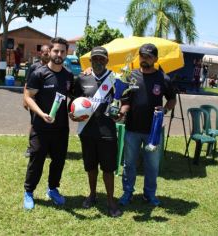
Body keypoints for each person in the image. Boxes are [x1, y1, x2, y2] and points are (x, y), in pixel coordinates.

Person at [118, 43, 176, 207]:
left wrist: (164, 110)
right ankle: (127, 193)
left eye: (148, 56)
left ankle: (149, 195)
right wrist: (122, 112)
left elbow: (172, 99)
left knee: (152, 165)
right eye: (142, 55)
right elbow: (125, 101)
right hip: (132, 129)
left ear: (156, 59)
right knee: (129, 164)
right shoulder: (130, 76)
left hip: (153, 131)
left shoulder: (163, 78)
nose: (144, 59)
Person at [69, 47, 122, 217]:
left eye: (102, 59)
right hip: (87, 132)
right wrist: (72, 114)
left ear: (107, 61)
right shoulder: (82, 79)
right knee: (90, 167)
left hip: (107, 132)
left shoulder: (116, 80)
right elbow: (74, 102)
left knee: (108, 169)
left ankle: (110, 201)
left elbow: (124, 100)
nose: (98, 62)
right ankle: (92, 194)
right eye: (95, 59)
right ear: (90, 61)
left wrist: (122, 112)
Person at [23, 37, 74, 210]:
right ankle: (28, 192)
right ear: (50, 52)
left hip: (61, 128)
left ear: (67, 53)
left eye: (62, 51)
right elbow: (28, 97)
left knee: (58, 161)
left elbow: (75, 98)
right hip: (41, 126)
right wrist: (41, 113)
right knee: (36, 159)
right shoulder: (39, 73)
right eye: (56, 51)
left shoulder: (68, 76)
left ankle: (52, 189)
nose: (59, 54)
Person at [22, 45, 50, 157]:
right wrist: (25, 100)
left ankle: (47, 148)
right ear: (41, 54)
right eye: (45, 53)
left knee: (48, 123)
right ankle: (31, 148)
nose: (47, 55)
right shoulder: (34, 67)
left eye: (49, 53)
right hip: (34, 100)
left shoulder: (53, 67)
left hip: (48, 101)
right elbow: (27, 83)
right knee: (34, 124)